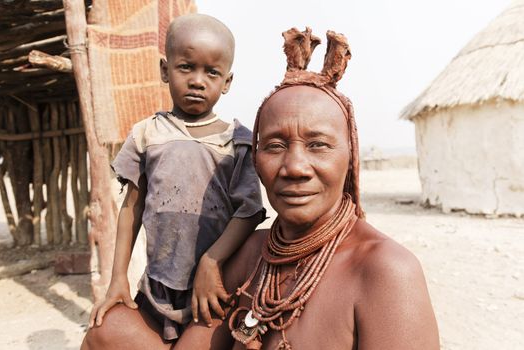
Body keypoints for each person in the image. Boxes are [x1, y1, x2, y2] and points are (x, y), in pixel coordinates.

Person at [173, 27, 440, 349]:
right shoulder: (250, 254)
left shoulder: (385, 271)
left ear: (351, 157)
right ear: (255, 158)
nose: (295, 168)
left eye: (317, 145)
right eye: (274, 145)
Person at [81, 14, 265, 349]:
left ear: (227, 81)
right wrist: (118, 277)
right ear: (165, 70)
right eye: (186, 67)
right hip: (157, 288)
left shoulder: (236, 142)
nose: (198, 81)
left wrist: (213, 261)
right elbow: (132, 208)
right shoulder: (146, 135)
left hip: (212, 290)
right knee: (103, 333)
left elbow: (250, 212)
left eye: (211, 72)